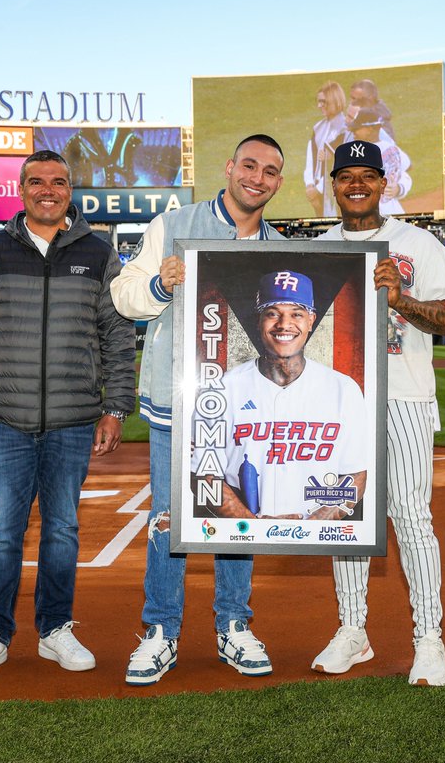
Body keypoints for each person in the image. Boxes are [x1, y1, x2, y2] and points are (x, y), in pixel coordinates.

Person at [0, 150, 135, 682]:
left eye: (58, 182)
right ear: (22, 189)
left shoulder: (99, 254)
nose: (47, 190)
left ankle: (55, 629)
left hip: (74, 419)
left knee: (62, 530)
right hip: (5, 418)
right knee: (3, 533)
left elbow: (118, 337)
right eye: (37, 182)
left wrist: (115, 406)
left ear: (70, 191)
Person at [110, 134, 286, 686]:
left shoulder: (281, 246)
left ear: (279, 183)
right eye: (250, 165)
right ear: (230, 167)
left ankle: (233, 623)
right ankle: (161, 629)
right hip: (176, 402)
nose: (258, 177)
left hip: (247, 409)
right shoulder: (174, 224)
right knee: (169, 517)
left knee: (240, 513)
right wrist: (161, 283)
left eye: (271, 171)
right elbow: (125, 294)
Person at [311, 140, 445, 686]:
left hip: (403, 397)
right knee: (343, 517)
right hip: (337, 402)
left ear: (384, 184)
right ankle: (352, 630)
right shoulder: (318, 248)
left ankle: (429, 639)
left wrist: (400, 300)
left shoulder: (416, 243)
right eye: (345, 176)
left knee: (410, 516)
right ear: (333, 186)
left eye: (367, 176)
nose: (356, 184)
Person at [197, 270, 369, 520]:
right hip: (242, 532)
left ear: (311, 320)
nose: (284, 324)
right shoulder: (223, 388)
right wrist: (253, 528)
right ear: (259, 320)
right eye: (272, 313)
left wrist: (309, 528)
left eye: (296, 314)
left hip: (316, 532)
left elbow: (355, 476)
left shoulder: (344, 389)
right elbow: (204, 474)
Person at [304, 82, 348, 217]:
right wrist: (310, 184)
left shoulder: (346, 128)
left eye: (323, 102)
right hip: (318, 189)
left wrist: (318, 189)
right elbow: (311, 156)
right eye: (318, 102)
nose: (319, 106)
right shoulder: (318, 127)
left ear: (335, 100)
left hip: (335, 188)